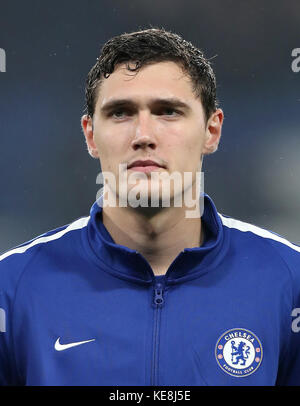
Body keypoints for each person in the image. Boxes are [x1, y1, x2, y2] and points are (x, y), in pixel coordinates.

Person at [0, 28, 299, 386]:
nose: (143, 135)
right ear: (91, 135)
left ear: (211, 131)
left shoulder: (289, 281)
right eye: (121, 113)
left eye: (168, 111)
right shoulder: (13, 289)